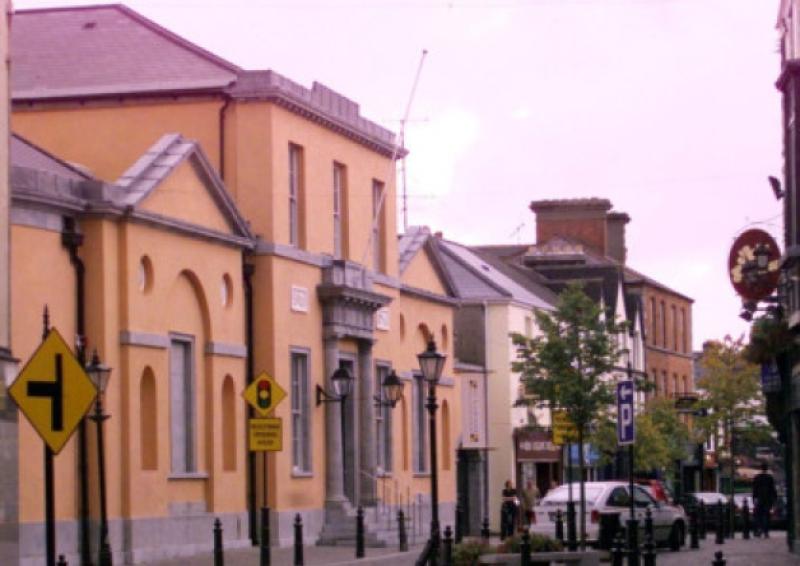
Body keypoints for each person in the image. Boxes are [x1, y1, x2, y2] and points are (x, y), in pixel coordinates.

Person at [752, 461, 777, 538]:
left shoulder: (757, 477)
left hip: (759, 498)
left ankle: (759, 529)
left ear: (761, 468)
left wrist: (754, 498)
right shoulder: (769, 478)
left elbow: (754, 489)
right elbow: (773, 489)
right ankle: (766, 531)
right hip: (768, 499)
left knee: (758, 515)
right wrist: (774, 498)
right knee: (766, 515)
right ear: (766, 469)